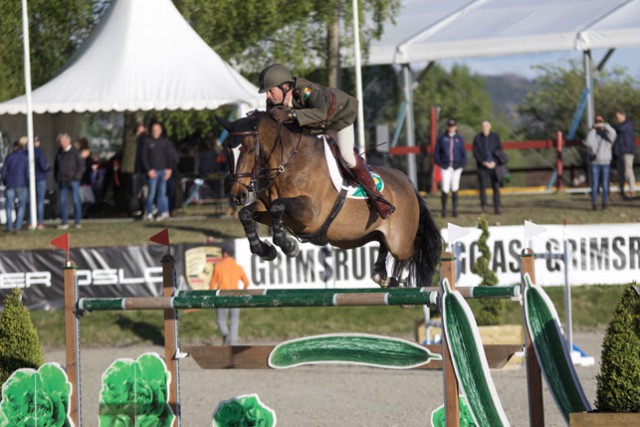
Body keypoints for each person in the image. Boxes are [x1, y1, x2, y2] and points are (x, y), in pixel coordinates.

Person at [258, 64, 395, 219]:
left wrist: (291, 115)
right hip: (314, 127)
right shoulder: (275, 101)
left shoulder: (306, 91)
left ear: (284, 87)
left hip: (337, 120)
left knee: (347, 156)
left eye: (270, 91)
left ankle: (378, 198)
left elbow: (321, 114)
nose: (268, 96)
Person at [209, 243, 249, 345]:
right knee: (234, 322)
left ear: (225, 254)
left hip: (222, 296)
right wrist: (242, 293)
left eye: (222, 253)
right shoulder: (238, 267)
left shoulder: (218, 267)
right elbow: (246, 282)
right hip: (235, 295)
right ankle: (233, 345)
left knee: (220, 320)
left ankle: (225, 335)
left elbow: (212, 284)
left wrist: (211, 297)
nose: (221, 255)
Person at [141, 121, 177, 221]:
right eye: (154, 130)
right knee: (151, 193)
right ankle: (148, 212)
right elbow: (144, 158)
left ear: (160, 131)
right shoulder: (147, 142)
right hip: (152, 172)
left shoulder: (165, 142)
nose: (155, 132)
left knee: (162, 193)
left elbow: (169, 156)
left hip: (163, 172)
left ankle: (163, 212)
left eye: (157, 130)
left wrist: (169, 169)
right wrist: (149, 170)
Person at [434, 119, 467, 217]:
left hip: (457, 167)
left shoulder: (459, 139)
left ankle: (454, 210)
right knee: (445, 187)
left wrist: (462, 164)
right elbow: (436, 152)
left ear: (455, 127)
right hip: (445, 166)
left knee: (455, 187)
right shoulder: (442, 138)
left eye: (453, 126)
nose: (451, 128)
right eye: (449, 126)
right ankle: (444, 210)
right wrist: (439, 162)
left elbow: (463, 153)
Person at [584, 115, 616, 210]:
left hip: (606, 162)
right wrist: (593, 129)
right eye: (597, 122)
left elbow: (614, 134)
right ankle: (594, 203)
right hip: (595, 162)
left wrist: (605, 126)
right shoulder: (592, 134)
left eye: (600, 121)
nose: (599, 124)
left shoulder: (608, 134)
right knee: (594, 184)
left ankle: (604, 202)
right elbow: (588, 142)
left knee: (605, 184)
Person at [54, 133, 85, 229]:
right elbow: (56, 166)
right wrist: (57, 177)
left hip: (73, 180)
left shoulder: (75, 152)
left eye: (62, 141)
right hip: (62, 181)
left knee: (76, 201)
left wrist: (77, 177)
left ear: (68, 141)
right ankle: (64, 222)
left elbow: (81, 166)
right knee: (63, 201)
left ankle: (77, 221)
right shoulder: (59, 152)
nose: (61, 143)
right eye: (60, 142)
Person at [473, 120, 503, 215]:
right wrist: (483, 162)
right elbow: (476, 153)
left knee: (496, 187)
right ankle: (484, 207)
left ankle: (497, 207)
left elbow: (500, 150)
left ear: (490, 127)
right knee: (482, 187)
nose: (485, 128)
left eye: (486, 126)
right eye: (483, 126)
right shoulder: (477, 138)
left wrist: (495, 162)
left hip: (494, 165)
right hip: (482, 166)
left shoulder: (495, 137)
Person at [1, 137, 29, 233]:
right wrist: (27, 182)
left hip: (10, 184)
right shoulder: (25, 158)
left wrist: (5, 182)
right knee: (21, 205)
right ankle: (18, 226)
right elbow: (27, 172)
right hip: (21, 184)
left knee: (9, 205)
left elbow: (3, 172)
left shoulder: (9, 158)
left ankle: (9, 227)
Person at [613, 109, 636, 199]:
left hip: (627, 152)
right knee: (620, 173)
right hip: (619, 152)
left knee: (628, 171)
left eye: (617, 117)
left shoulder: (628, 125)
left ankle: (632, 190)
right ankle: (621, 190)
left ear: (623, 115)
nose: (617, 118)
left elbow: (618, 129)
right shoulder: (620, 126)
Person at [34, 135, 51, 229]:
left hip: (31, 179)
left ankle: (30, 221)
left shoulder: (26, 152)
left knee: (32, 201)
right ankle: (40, 222)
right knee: (40, 200)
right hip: (40, 178)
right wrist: (48, 167)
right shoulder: (39, 152)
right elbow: (43, 166)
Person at [78, 137, 98, 218]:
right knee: (88, 200)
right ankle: (84, 214)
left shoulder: (84, 157)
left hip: (84, 180)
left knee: (85, 200)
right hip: (84, 181)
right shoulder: (84, 157)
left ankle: (84, 214)